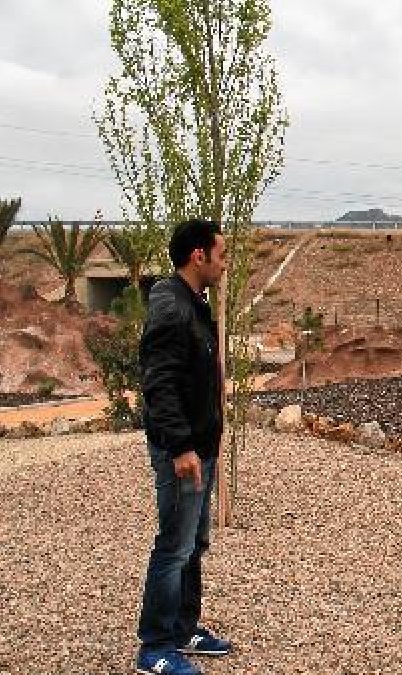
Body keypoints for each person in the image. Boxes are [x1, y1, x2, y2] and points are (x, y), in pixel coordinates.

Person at [135, 219, 233, 675]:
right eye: (221, 255)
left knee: (194, 543)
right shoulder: (171, 307)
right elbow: (159, 384)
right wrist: (180, 448)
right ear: (199, 256)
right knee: (174, 545)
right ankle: (154, 647)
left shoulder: (192, 304)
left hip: (201, 447)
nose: (224, 264)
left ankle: (183, 627)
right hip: (184, 452)